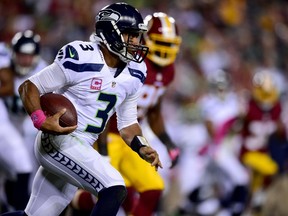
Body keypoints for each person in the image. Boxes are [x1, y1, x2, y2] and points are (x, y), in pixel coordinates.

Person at [1, 2, 162, 216]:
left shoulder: (136, 71)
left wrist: (142, 146)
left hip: (83, 145)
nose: (135, 42)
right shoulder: (83, 56)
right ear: (110, 33)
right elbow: (29, 86)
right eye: (129, 35)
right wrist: (40, 119)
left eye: (137, 36)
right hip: (59, 139)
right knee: (114, 187)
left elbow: (128, 123)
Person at [70, 12, 182, 216]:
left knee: (153, 187)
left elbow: (154, 110)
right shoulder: (132, 61)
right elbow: (105, 105)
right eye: (161, 43)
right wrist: (102, 148)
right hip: (108, 133)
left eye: (169, 44)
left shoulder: (168, 71)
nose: (165, 51)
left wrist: (167, 142)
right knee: (103, 193)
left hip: (131, 138)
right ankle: (72, 204)